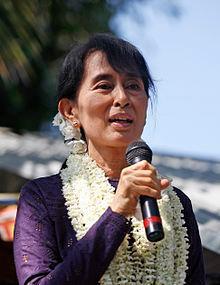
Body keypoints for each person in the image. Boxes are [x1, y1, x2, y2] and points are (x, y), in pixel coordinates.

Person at [13, 33, 205, 285]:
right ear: (70, 111)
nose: (122, 98)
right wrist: (117, 211)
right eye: (104, 85)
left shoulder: (176, 205)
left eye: (133, 86)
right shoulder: (43, 198)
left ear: (146, 107)